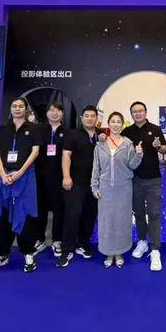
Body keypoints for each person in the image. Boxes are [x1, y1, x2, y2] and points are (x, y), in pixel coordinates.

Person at [0, 97, 42, 274]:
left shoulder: (34, 129)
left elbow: (35, 152)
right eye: (14, 106)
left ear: (26, 109)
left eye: (21, 106)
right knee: (3, 216)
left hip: (25, 177)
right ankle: (2, 254)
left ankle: (28, 252)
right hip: (5, 178)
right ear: (10, 109)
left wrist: (20, 172)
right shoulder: (3, 130)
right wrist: (3, 174)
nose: (17, 109)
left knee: (26, 214)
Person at [92, 112, 144, 268]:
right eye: (113, 121)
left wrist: (139, 154)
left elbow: (132, 165)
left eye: (118, 122)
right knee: (106, 221)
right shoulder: (100, 144)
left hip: (124, 188)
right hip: (105, 188)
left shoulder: (128, 143)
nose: (115, 124)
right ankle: (108, 252)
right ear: (109, 124)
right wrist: (94, 186)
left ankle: (119, 252)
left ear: (122, 125)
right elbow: (96, 167)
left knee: (122, 221)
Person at [121, 101, 166, 272]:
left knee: (154, 214)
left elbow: (164, 150)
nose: (138, 113)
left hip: (153, 179)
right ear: (131, 114)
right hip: (133, 179)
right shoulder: (127, 132)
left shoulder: (155, 129)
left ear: (146, 112)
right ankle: (142, 241)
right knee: (138, 213)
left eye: (141, 111)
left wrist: (158, 146)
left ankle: (155, 249)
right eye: (135, 111)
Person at [57, 105, 102, 268]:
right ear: (82, 118)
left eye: (93, 116)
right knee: (72, 214)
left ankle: (83, 243)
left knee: (89, 214)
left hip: (94, 184)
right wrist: (66, 176)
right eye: (87, 116)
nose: (90, 118)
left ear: (97, 119)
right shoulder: (73, 134)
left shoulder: (100, 136)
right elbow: (66, 155)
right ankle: (66, 249)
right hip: (75, 182)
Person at [35, 103, 67, 257]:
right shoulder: (38, 130)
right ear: (47, 113)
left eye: (58, 110)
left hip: (59, 177)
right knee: (39, 208)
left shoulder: (68, 132)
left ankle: (57, 240)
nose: (55, 113)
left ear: (62, 113)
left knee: (58, 210)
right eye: (51, 110)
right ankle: (39, 239)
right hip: (39, 176)